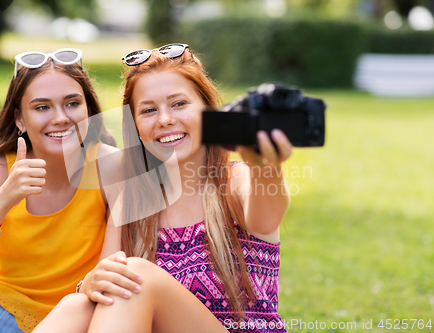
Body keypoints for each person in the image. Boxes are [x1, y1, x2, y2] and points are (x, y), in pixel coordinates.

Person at [33, 43, 293, 333]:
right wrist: (89, 284)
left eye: (179, 104)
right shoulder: (133, 200)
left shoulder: (237, 181)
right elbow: (106, 285)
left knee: (137, 277)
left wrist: (267, 168)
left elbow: (266, 218)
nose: (165, 120)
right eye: (148, 110)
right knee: (77, 305)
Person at [0, 48, 118, 333]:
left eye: (72, 103)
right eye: (42, 107)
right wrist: (3, 199)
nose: (60, 118)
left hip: (64, 318)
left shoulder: (111, 168)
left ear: (89, 109)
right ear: (20, 119)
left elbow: (107, 279)